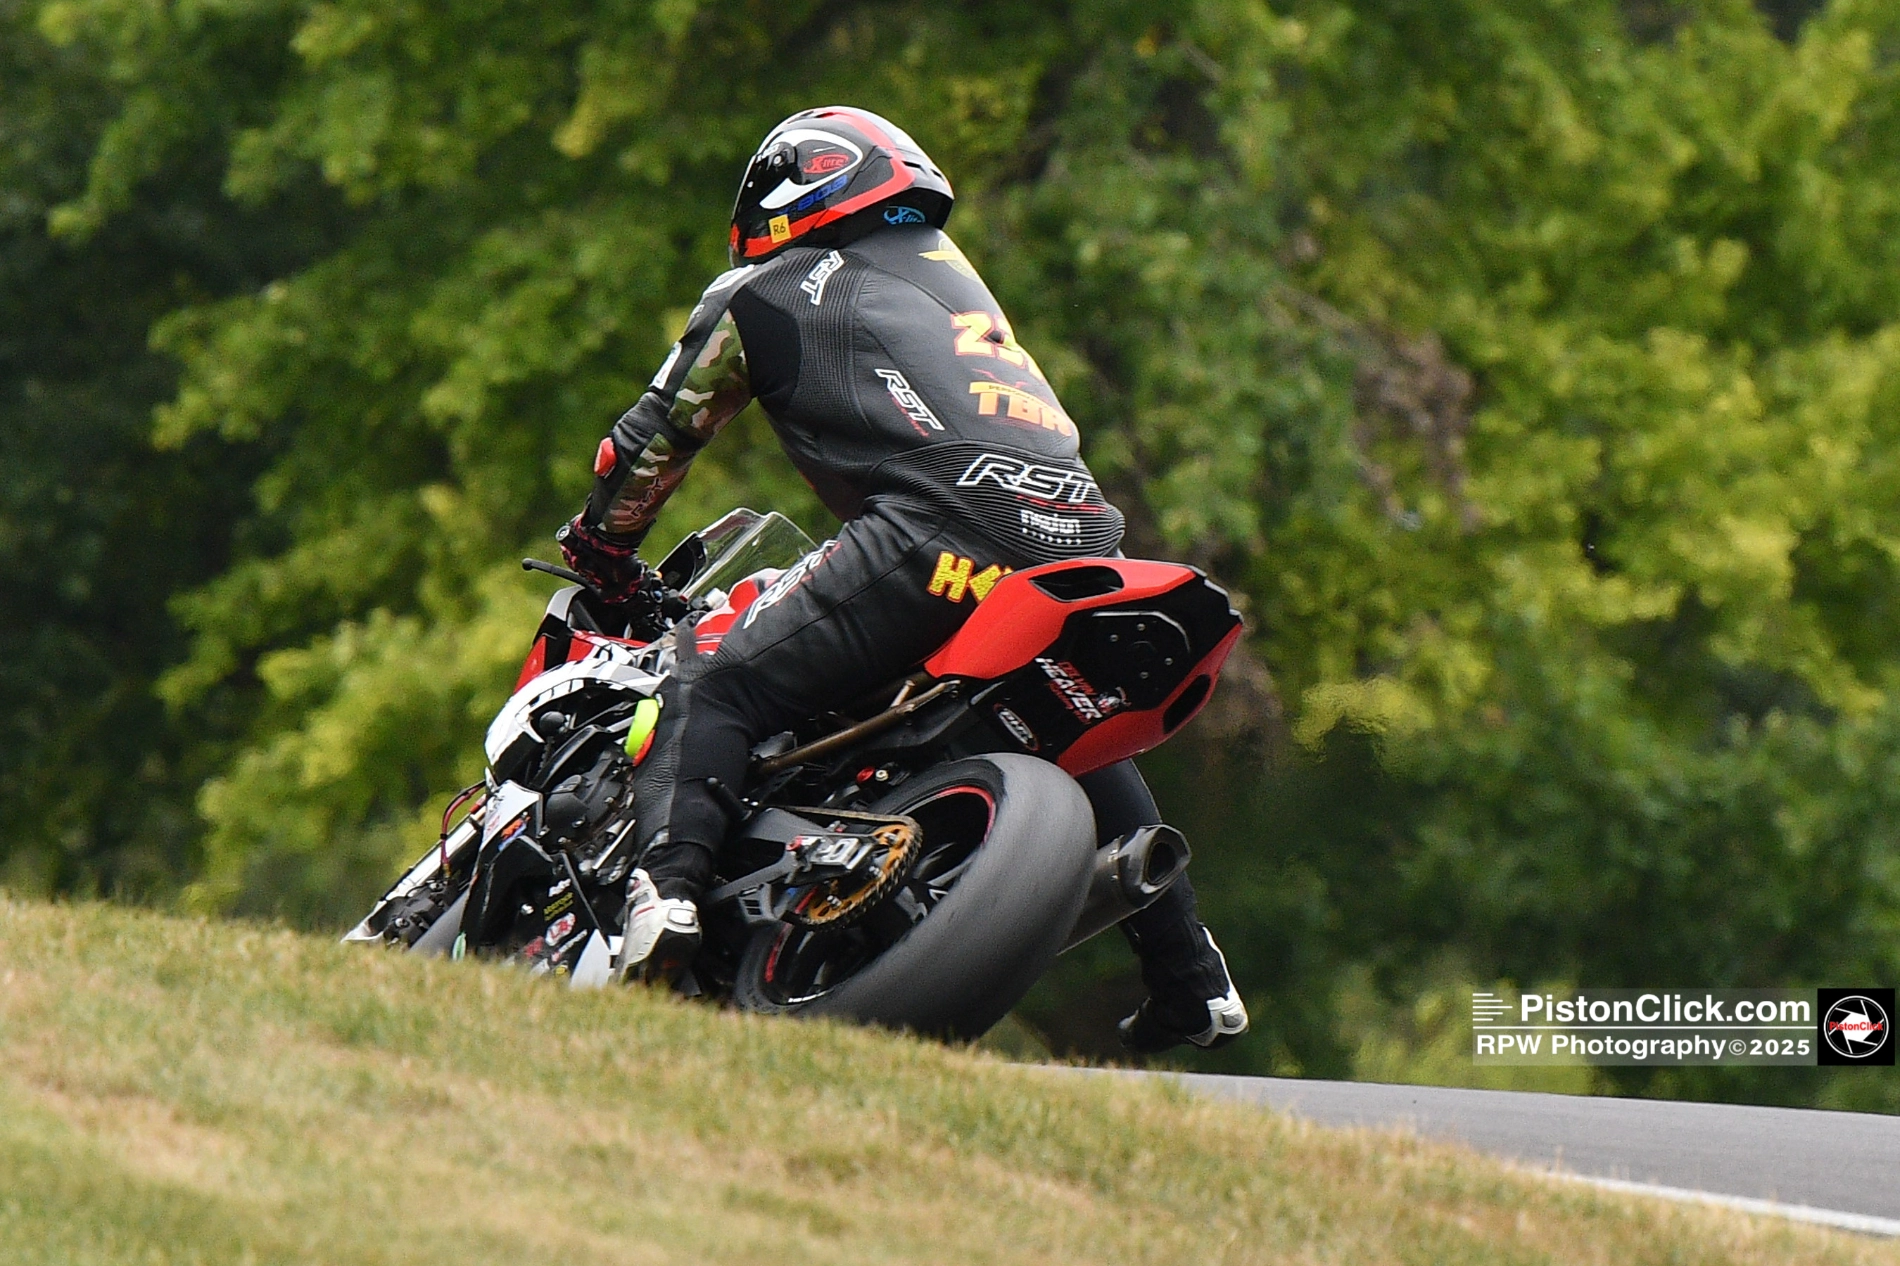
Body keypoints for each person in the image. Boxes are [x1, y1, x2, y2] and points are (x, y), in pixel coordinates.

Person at [557, 106, 1247, 1053]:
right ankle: (1194, 978)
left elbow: (654, 441)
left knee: (715, 680)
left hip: (945, 533)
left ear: (794, 192)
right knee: (1060, 723)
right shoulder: (955, 287)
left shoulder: (763, 289)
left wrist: (601, 549)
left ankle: (666, 903)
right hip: (1082, 532)